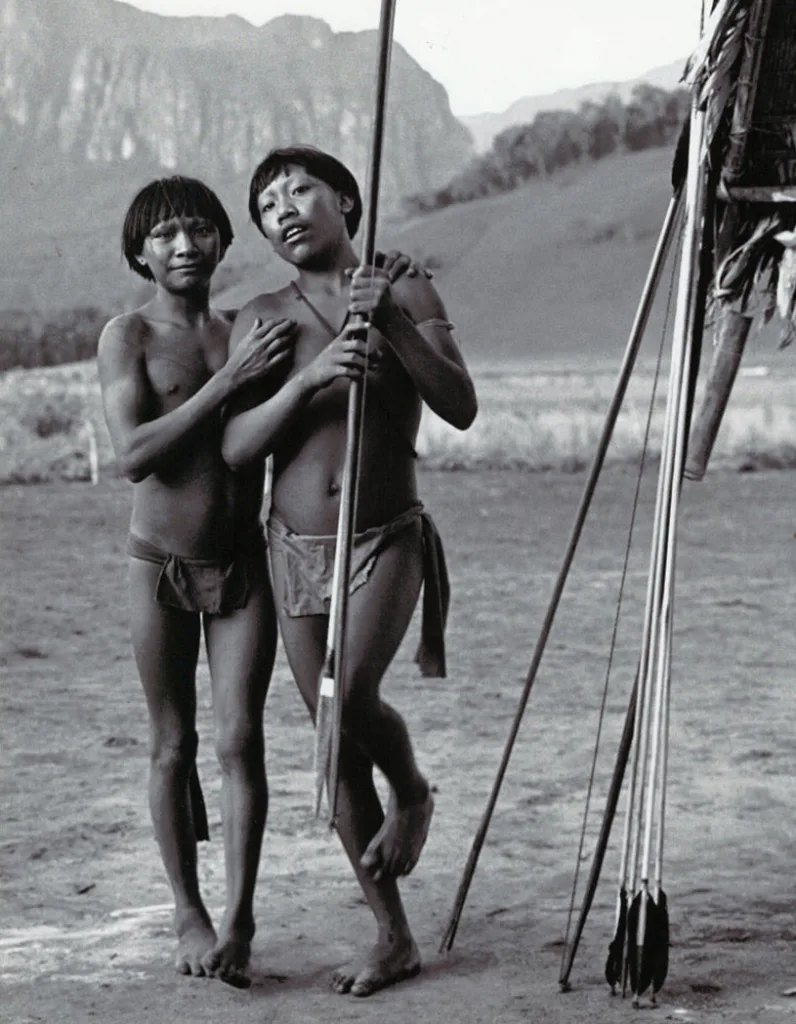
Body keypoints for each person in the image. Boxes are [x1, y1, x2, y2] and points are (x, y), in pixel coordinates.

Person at [97, 174, 428, 988]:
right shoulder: (129, 335)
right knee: (172, 743)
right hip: (159, 566)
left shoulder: (248, 323)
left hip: (246, 564)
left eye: (200, 231)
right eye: (166, 236)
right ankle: (190, 912)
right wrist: (229, 380)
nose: (185, 247)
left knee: (242, 739)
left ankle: (240, 922)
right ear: (139, 253)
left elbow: (283, 436)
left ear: (222, 241)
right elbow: (135, 456)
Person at [221, 146, 478, 997]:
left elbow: (461, 406)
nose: (283, 208)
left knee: (350, 696)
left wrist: (392, 323)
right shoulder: (260, 315)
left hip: (385, 535)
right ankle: (393, 934)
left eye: (299, 189)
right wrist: (310, 380)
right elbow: (234, 448)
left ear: (347, 199)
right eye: (266, 204)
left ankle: (411, 789)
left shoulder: (403, 286)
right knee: (332, 747)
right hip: (290, 549)